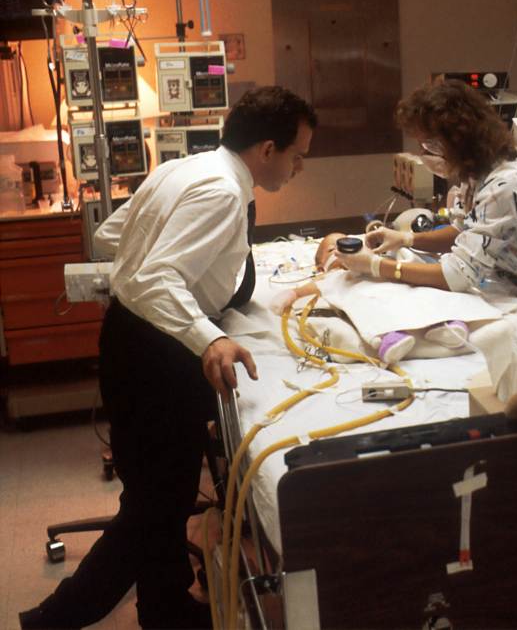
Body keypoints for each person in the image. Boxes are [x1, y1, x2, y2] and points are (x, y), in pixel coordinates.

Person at [20, 86, 317, 630]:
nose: (299, 168)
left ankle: (166, 607)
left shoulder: (184, 168)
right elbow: (157, 275)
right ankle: (52, 619)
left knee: (160, 494)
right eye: (298, 155)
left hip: (131, 341)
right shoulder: (224, 194)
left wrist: (163, 271)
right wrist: (207, 337)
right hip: (156, 357)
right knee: (157, 506)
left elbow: (113, 235)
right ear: (268, 150)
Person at [316, 78, 517, 301]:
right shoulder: (475, 170)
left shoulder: (505, 184)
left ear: (461, 139)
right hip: (508, 283)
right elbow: (462, 231)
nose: (422, 154)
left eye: (430, 146)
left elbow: (458, 275)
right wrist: (406, 240)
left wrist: (377, 267)